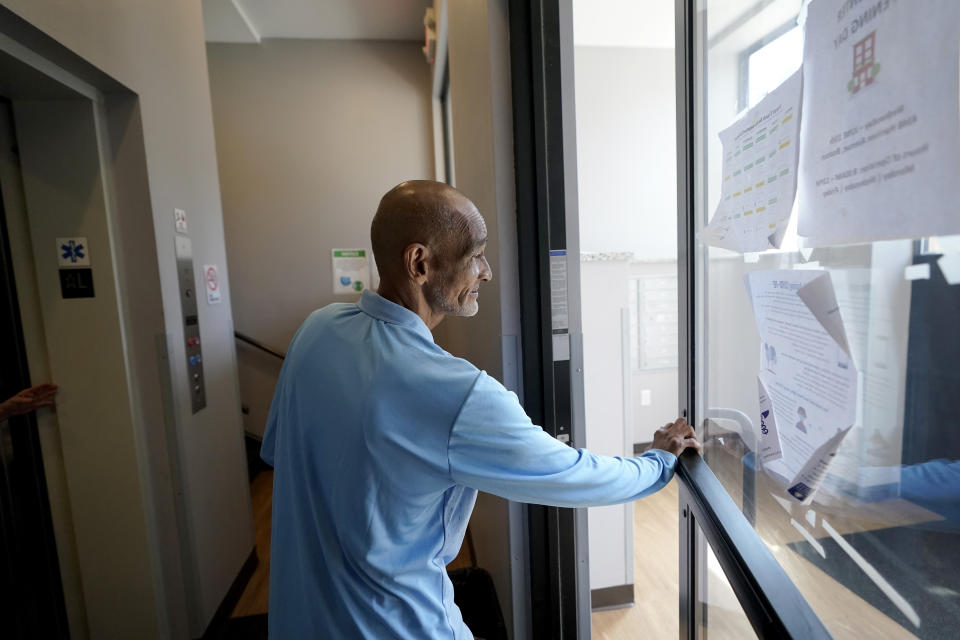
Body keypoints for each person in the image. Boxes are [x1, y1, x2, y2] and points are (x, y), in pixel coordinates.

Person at [261, 180, 701, 639]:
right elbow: (576, 475)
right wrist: (659, 461)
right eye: (476, 255)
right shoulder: (455, 393)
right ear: (420, 263)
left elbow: (281, 456)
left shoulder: (315, 332)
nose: (486, 272)